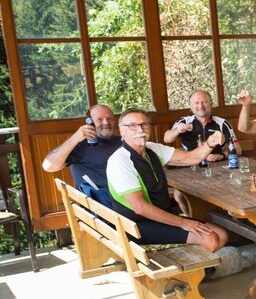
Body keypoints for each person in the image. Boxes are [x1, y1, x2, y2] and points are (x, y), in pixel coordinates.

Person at [105, 108, 230, 252]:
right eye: (132, 125)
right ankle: (194, 272)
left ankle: (198, 268)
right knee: (210, 238)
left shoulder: (152, 149)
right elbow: (140, 208)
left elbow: (191, 158)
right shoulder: (120, 160)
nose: (140, 129)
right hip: (137, 225)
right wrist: (182, 222)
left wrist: (210, 143)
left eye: (144, 124)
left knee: (222, 234)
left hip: (162, 216)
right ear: (122, 131)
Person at [41, 104, 118, 205]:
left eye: (109, 118)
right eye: (99, 119)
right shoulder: (82, 145)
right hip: (106, 210)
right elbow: (49, 166)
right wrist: (76, 137)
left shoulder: (122, 142)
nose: (106, 122)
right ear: (89, 123)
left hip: (127, 201)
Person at [163, 90, 239, 161]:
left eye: (204, 102)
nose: (201, 106)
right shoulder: (184, 122)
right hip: (190, 164)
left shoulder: (222, 123)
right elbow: (166, 139)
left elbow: (238, 149)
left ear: (211, 104)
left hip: (216, 165)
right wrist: (177, 131)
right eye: (196, 103)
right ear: (190, 106)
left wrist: (222, 156)